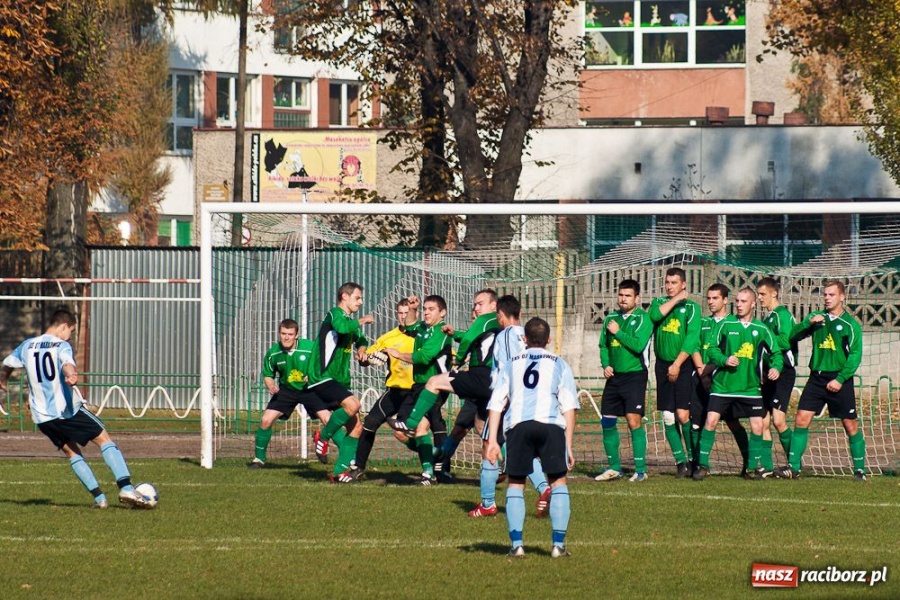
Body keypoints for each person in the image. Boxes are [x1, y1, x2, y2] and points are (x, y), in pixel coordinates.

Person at [0, 308, 152, 509]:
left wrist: (3, 379)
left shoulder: (27, 345)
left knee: (72, 453)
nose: (70, 337)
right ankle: (125, 487)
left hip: (42, 417)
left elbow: (8, 363)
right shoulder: (61, 345)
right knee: (104, 439)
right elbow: (67, 364)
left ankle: (99, 499)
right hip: (66, 410)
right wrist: (71, 374)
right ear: (64, 326)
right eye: (70, 331)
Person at [486, 318, 578, 558]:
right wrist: (568, 443)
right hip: (550, 426)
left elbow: (496, 403)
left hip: (519, 426)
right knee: (558, 482)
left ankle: (517, 545)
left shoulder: (511, 364)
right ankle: (558, 546)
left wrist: (494, 442)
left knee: (516, 484)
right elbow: (569, 407)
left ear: (524, 339)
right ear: (548, 340)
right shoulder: (560, 363)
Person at [468, 294, 551, 518]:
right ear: (520, 314)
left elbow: (509, 369)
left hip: (507, 402)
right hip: (530, 401)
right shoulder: (528, 335)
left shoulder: (504, 336)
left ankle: (487, 504)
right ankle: (545, 488)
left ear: (500, 316)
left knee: (489, 447)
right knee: (520, 451)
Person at [780, 280, 866, 480]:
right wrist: (807, 323)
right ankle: (793, 468)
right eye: (825, 295)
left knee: (849, 424)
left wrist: (840, 378)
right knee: (801, 419)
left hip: (839, 378)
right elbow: (793, 336)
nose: (827, 298)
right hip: (816, 378)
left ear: (842, 297)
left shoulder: (850, 325)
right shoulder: (816, 318)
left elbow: (855, 356)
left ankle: (860, 470)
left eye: (831, 295)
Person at [694, 288, 782, 480]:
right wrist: (724, 360)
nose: (739, 305)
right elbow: (712, 351)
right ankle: (702, 465)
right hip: (723, 386)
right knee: (710, 421)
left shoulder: (761, 329)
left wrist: (776, 368)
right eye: (737, 301)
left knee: (758, 426)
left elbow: (776, 353)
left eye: (744, 301)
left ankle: (751, 468)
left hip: (750, 388)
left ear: (753, 304)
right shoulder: (726, 324)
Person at [388, 289, 500, 441]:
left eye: (480, 304)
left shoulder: (485, 319)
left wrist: (458, 361)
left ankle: (411, 424)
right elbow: (410, 327)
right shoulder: (496, 322)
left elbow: (467, 340)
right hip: (491, 378)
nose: (476, 309)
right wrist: (454, 334)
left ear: (494, 305)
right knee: (480, 427)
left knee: (434, 385)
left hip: (480, 375)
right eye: (475, 305)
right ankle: (521, 462)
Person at [383, 294, 453, 485]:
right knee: (399, 430)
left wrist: (397, 354)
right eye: (425, 308)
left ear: (442, 313)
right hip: (417, 386)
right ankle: (435, 455)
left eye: (432, 309)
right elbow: (410, 325)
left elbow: (424, 357)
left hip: (435, 387)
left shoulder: (441, 331)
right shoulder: (422, 327)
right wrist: (413, 309)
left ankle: (429, 474)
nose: (427, 312)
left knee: (420, 426)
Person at [347, 298, 420, 479]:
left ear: (414, 314)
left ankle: (434, 461)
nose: (403, 317)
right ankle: (359, 468)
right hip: (394, 391)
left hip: (416, 392)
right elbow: (369, 357)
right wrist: (364, 357)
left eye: (406, 313)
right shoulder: (388, 338)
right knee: (370, 423)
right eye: (400, 313)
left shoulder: (422, 334)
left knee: (406, 433)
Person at [309, 282, 373, 481]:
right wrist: (362, 320)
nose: (361, 302)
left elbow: (360, 339)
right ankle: (324, 436)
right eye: (357, 298)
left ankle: (339, 473)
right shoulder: (335, 315)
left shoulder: (348, 320)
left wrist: (362, 350)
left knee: (356, 428)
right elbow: (342, 327)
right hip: (322, 376)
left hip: (340, 380)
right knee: (353, 405)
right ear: (344, 297)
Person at [594, 279, 653, 483]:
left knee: (632, 420)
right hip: (614, 377)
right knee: (607, 420)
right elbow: (603, 345)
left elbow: (638, 346)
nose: (623, 299)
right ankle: (614, 468)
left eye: (628, 296)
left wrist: (617, 331)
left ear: (637, 298)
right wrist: (606, 364)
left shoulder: (643, 319)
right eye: (620, 295)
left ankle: (640, 470)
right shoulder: (611, 318)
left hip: (635, 375)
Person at [692, 284, 752, 478]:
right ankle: (700, 465)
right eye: (708, 298)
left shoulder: (735, 323)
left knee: (733, 423)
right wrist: (700, 367)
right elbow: (693, 345)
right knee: (698, 422)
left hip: (725, 381)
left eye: (715, 298)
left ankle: (748, 463)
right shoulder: (702, 323)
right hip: (702, 378)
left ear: (726, 300)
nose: (711, 302)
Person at [648, 267, 701, 477]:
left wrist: (678, 364)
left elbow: (691, 339)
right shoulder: (659, 303)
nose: (669, 286)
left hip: (683, 364)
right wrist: (676, 299)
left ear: (684, 284)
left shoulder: (692, 308)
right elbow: (654, 316)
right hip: (662, 365)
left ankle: (693, 459)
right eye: (667, 282)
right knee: (668, 417)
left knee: (682, 414)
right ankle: (680, 462)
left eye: (674, 283)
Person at [249, 318, 322, 468]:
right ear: (279, 333)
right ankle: (259, 460)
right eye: (283, 333)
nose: (286, 337)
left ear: (297, 335)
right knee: (266, 420)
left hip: (310, 389)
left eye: (290, 334)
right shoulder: (273, 353)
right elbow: (268, 374)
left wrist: (314, 375)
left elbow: (322, 365)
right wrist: (270, 385)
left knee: (329, 419)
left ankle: (349, 461)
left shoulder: (310, 347)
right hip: (287, 390)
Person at [756, 277, 797, 477]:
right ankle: (766, 467)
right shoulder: (767, 319)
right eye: (758, 294)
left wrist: (765, 340)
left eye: (763, 294)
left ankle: (794, 464)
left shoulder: (782, 315)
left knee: (779, 421)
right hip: (767, 373)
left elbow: (785, 340)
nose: (760, 298)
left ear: (774, 293)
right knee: (762, 420)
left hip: (784, 372)